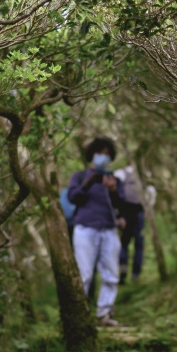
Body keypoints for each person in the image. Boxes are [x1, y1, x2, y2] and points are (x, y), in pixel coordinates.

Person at [67, 136, 126, 326]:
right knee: (84, 274)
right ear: (92, 154)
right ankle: (80, 315)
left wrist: (113, 190)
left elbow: (122, 206)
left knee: (111, 274)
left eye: (107, 155)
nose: (103, 157)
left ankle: (104, 314)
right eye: (100, 153)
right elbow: (72, 197)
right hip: (84, 229)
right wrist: (89, 182)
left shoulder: (114, 180)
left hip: (109, 229)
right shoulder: (80, 176)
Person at [114, 164, 154, 284]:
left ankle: (123, 266)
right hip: (139, 212)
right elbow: (151, 193)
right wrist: (147, 209)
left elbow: (115, 194)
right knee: (139, 244)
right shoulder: (143, 174)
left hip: (124, 213)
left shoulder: (120, 173)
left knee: (124, 243)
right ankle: (136, 274)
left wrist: (117, 214)